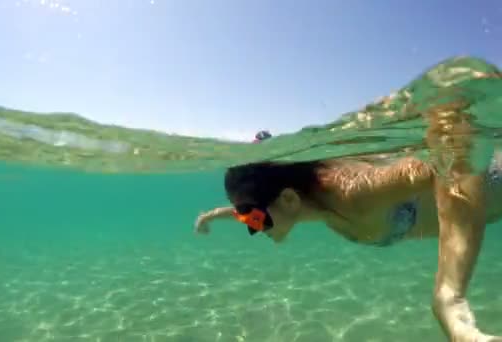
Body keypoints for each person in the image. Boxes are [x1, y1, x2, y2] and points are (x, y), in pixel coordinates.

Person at [194, 101, 502, 341]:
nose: (252, 228)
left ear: (288, 198)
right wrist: (210, 216)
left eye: (255, 220)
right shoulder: (305, 201)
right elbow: (247, 210)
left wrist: (448, 297)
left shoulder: (353, 194)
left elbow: (456, 159)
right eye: (247, 220)